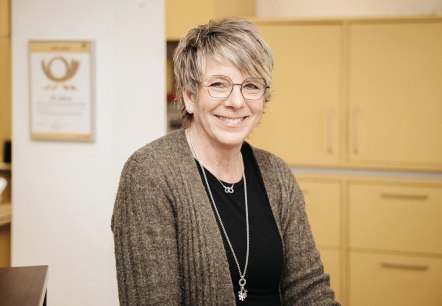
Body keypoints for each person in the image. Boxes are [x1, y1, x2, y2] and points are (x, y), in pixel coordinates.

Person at [112, 17, 339, 305]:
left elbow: (307, 287)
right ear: (189, 97)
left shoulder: (277, 174)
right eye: (219, 84)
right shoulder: (149, 174)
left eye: (251, 86)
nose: (236, 101)